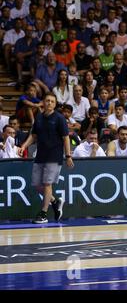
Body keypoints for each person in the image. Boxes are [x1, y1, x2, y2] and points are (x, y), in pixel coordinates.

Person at [18, 93, 74, 224]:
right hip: (40, 155)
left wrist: (68, 156)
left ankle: (43, 213)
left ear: (55, 104)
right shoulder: (39, 118)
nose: (49, 103)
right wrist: (24, 146)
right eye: (47, 101)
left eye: (52, 101)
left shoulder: (59, 118)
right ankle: (55, 201)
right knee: (37, 185)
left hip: (54, 156)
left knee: (47, 184)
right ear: (43, 102)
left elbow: (66, 137)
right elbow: (33, 135)